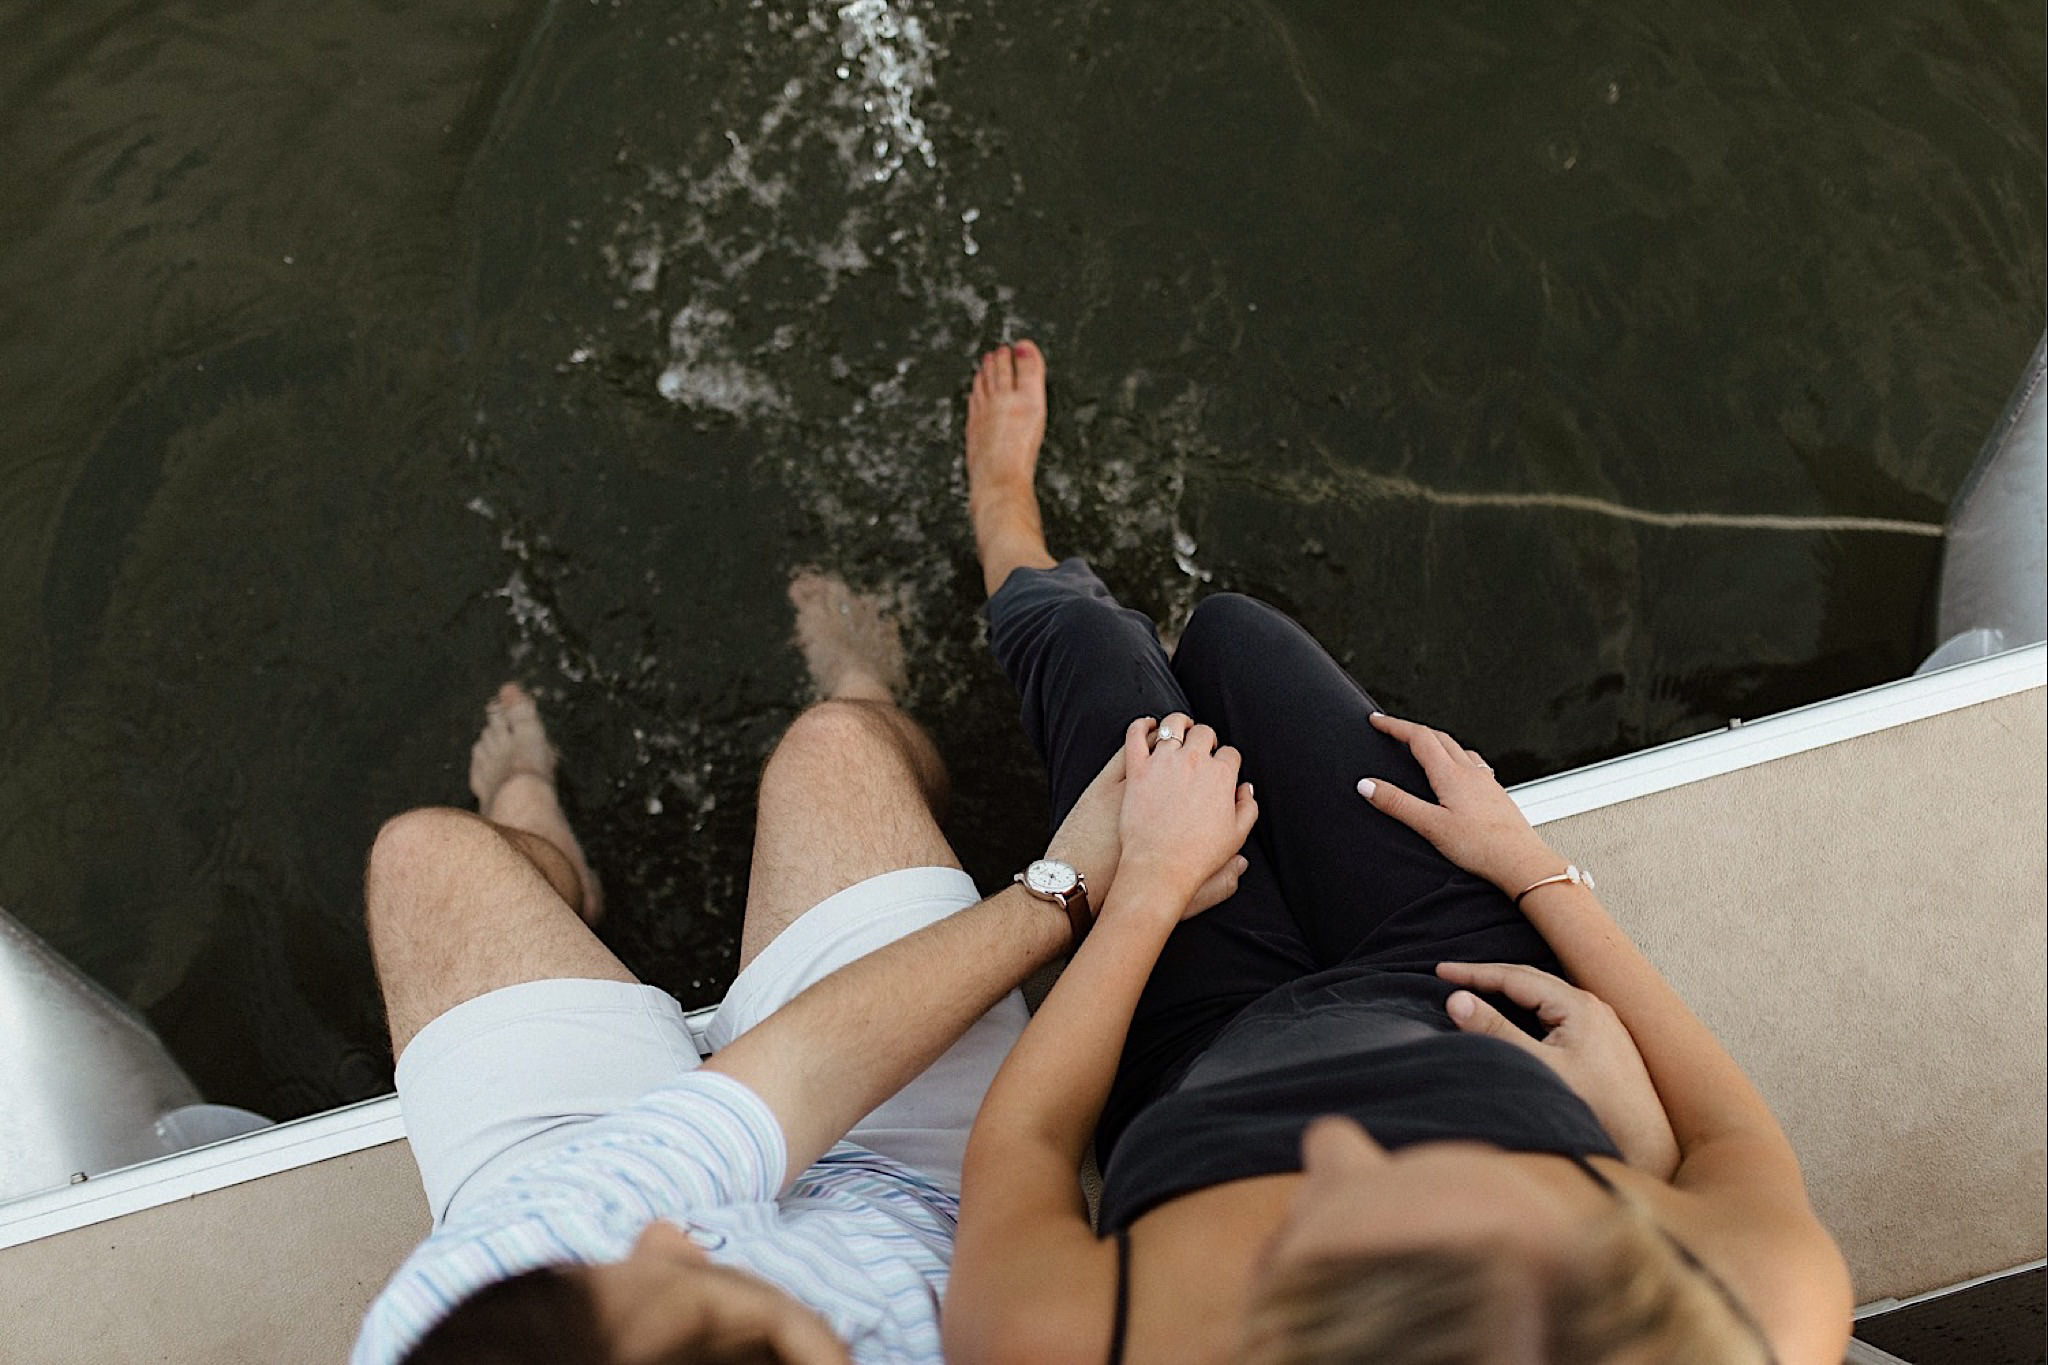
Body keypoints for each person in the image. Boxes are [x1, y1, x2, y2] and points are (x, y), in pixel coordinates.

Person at [942, 340, 1854, 1365]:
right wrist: (1529, 868)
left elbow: (1023, 1149)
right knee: (1237, 640)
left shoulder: (1070, 1341)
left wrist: (1145, 891)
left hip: (1191, 1048)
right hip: (1456, 978)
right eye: (1433, 1157)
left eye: (1300, 1230)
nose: (1334, 1140)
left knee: (1094, 658)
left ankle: (1002, 518)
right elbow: (1733, 1140)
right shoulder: (1756, 1307)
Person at [351, 570, 1246, 1365]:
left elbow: (790, 1074)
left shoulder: (462, 1327)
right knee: (838, 753)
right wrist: (1125, 895)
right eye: (715, 1292)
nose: (670, 1236)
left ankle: (541, 838)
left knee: (421, 859)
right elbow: (1030, 1152)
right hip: (921, 1208)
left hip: (542, 1215)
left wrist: (1055, 893)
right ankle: (866, 699)